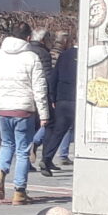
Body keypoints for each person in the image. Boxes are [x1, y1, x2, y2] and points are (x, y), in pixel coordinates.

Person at [0, 13, 49, 203]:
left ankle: (0, 172)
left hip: (3, 109)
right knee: (23, 150)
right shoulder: (32, 57)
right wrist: (44, 114)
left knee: (7, 144)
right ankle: (19, 192)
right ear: (28, 38)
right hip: (24, 110)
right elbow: (39, 88)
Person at [37, 24, 78, 172]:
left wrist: (53, 97)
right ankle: (50, 158)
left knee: (58, 130)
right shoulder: (86, 56)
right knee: (75, 130)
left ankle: (46, 159)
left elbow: (54, 76)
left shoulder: (64, 55)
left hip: (62, 98)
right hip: (77, 98)